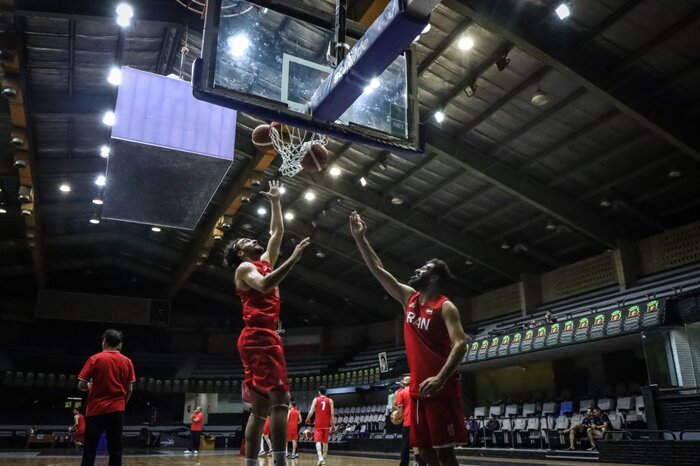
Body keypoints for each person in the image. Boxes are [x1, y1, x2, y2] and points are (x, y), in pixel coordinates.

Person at [350, 211, 468, 466]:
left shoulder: (445, 306)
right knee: (424, 452)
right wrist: (361, 239)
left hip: (441, 388)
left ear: (434, 278)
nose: (417, 270)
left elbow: (461, 343)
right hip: (417, 391)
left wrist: (440, 378)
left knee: (445, 453)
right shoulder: (409, 298)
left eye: (424, 269)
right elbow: (379, 270)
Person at [223, 180, 310, 466]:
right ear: (239, 251)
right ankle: (281, 461)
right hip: (260, 336)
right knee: (281, 401)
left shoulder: (263, 261)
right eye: (245, 240)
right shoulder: (245, 268)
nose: (253, 239)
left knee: (260, 409)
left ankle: (250, 463)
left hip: (259, 337)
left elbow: (277, 232)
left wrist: (275, 201)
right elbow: (263, 286)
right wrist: (294, 259)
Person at [77, 329, 135, 466]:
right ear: (119, 344)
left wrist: (90, 387)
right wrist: (122, 403)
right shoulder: (127, 361)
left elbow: (81, 384)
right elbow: (130, 389)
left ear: (104, 342)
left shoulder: (95, 359)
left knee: (90, 449)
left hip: (96, 410)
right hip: (117, 411)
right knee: (116, 450)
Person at [394, 376, 425, 466]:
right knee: (421, 445)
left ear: (404, 383)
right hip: (419, 421)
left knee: (405, 446)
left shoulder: (401, 392)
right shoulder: (417, 391)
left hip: (407, 423)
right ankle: (422, 464)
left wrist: (397, 419)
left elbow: (400, 411)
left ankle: (404, 464)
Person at [305, 386, 335, 466]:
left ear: (319, 392)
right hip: (326, 424)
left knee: (317, 441)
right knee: (325, 442)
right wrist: (333, 425)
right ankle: (323, 460)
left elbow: (311, 411)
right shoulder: (330, 400)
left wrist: (307, 418)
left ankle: (320, 457)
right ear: (326, 392)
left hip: (318, 424)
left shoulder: (315, 399)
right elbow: (332, 414)